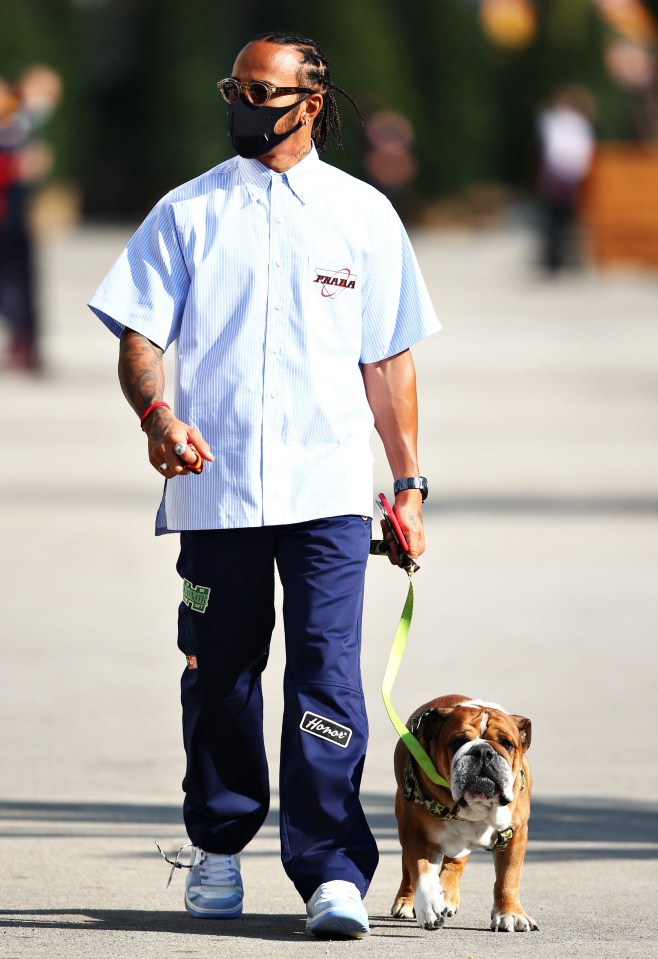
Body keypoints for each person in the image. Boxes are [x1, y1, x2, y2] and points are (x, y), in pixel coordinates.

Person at [88, 32, 439, 939]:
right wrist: (157, 416)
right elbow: (137, 336)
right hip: (218, 494)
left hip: (326, 493)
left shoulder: (363, 216)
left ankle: (330, 870)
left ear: (310, 103)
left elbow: (388, 361)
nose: (241, 104)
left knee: (328, 682)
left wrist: (407, 483)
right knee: (220, 680)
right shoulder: (187, 211)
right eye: (234, 88)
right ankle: (216, 843)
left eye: (260, 91)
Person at [536, 85, 595, 274]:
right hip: (560, 174)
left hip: (567, 175)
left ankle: (567, 259)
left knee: (567, 219)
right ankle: (553, 259)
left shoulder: (575, 122)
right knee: (554, 219)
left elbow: (580, 150)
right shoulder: (555, 120)